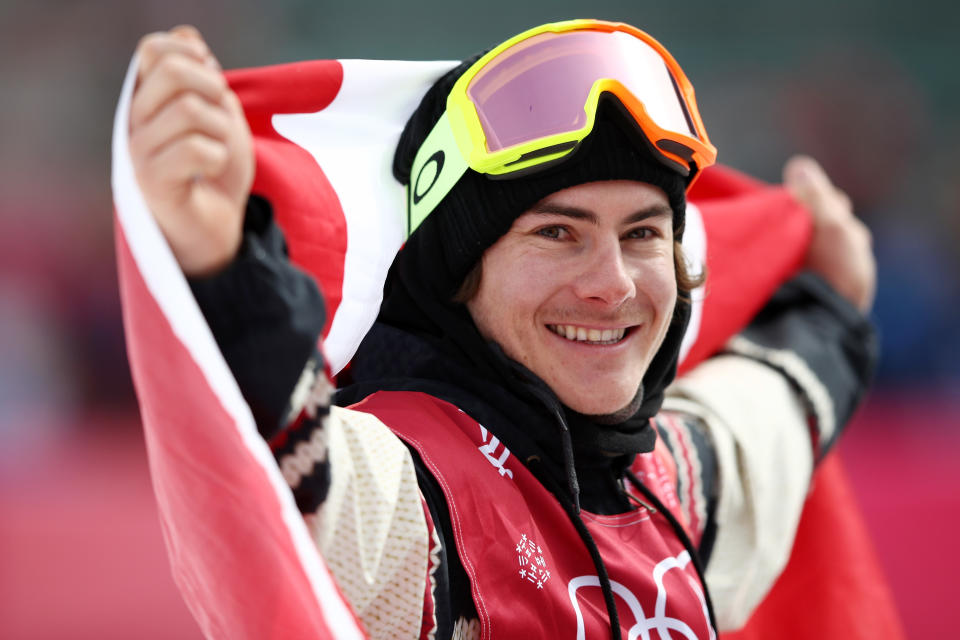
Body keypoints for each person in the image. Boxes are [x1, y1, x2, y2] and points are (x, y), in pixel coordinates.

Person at [128, 20, 877, 639]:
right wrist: (221, 264)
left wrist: (835, 302)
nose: (611, 283)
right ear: (461, 273)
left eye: (644, 234)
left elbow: (778, 402)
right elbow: (293, 476)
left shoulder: (670, 478)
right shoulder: (417, 496)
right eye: (556, 233)